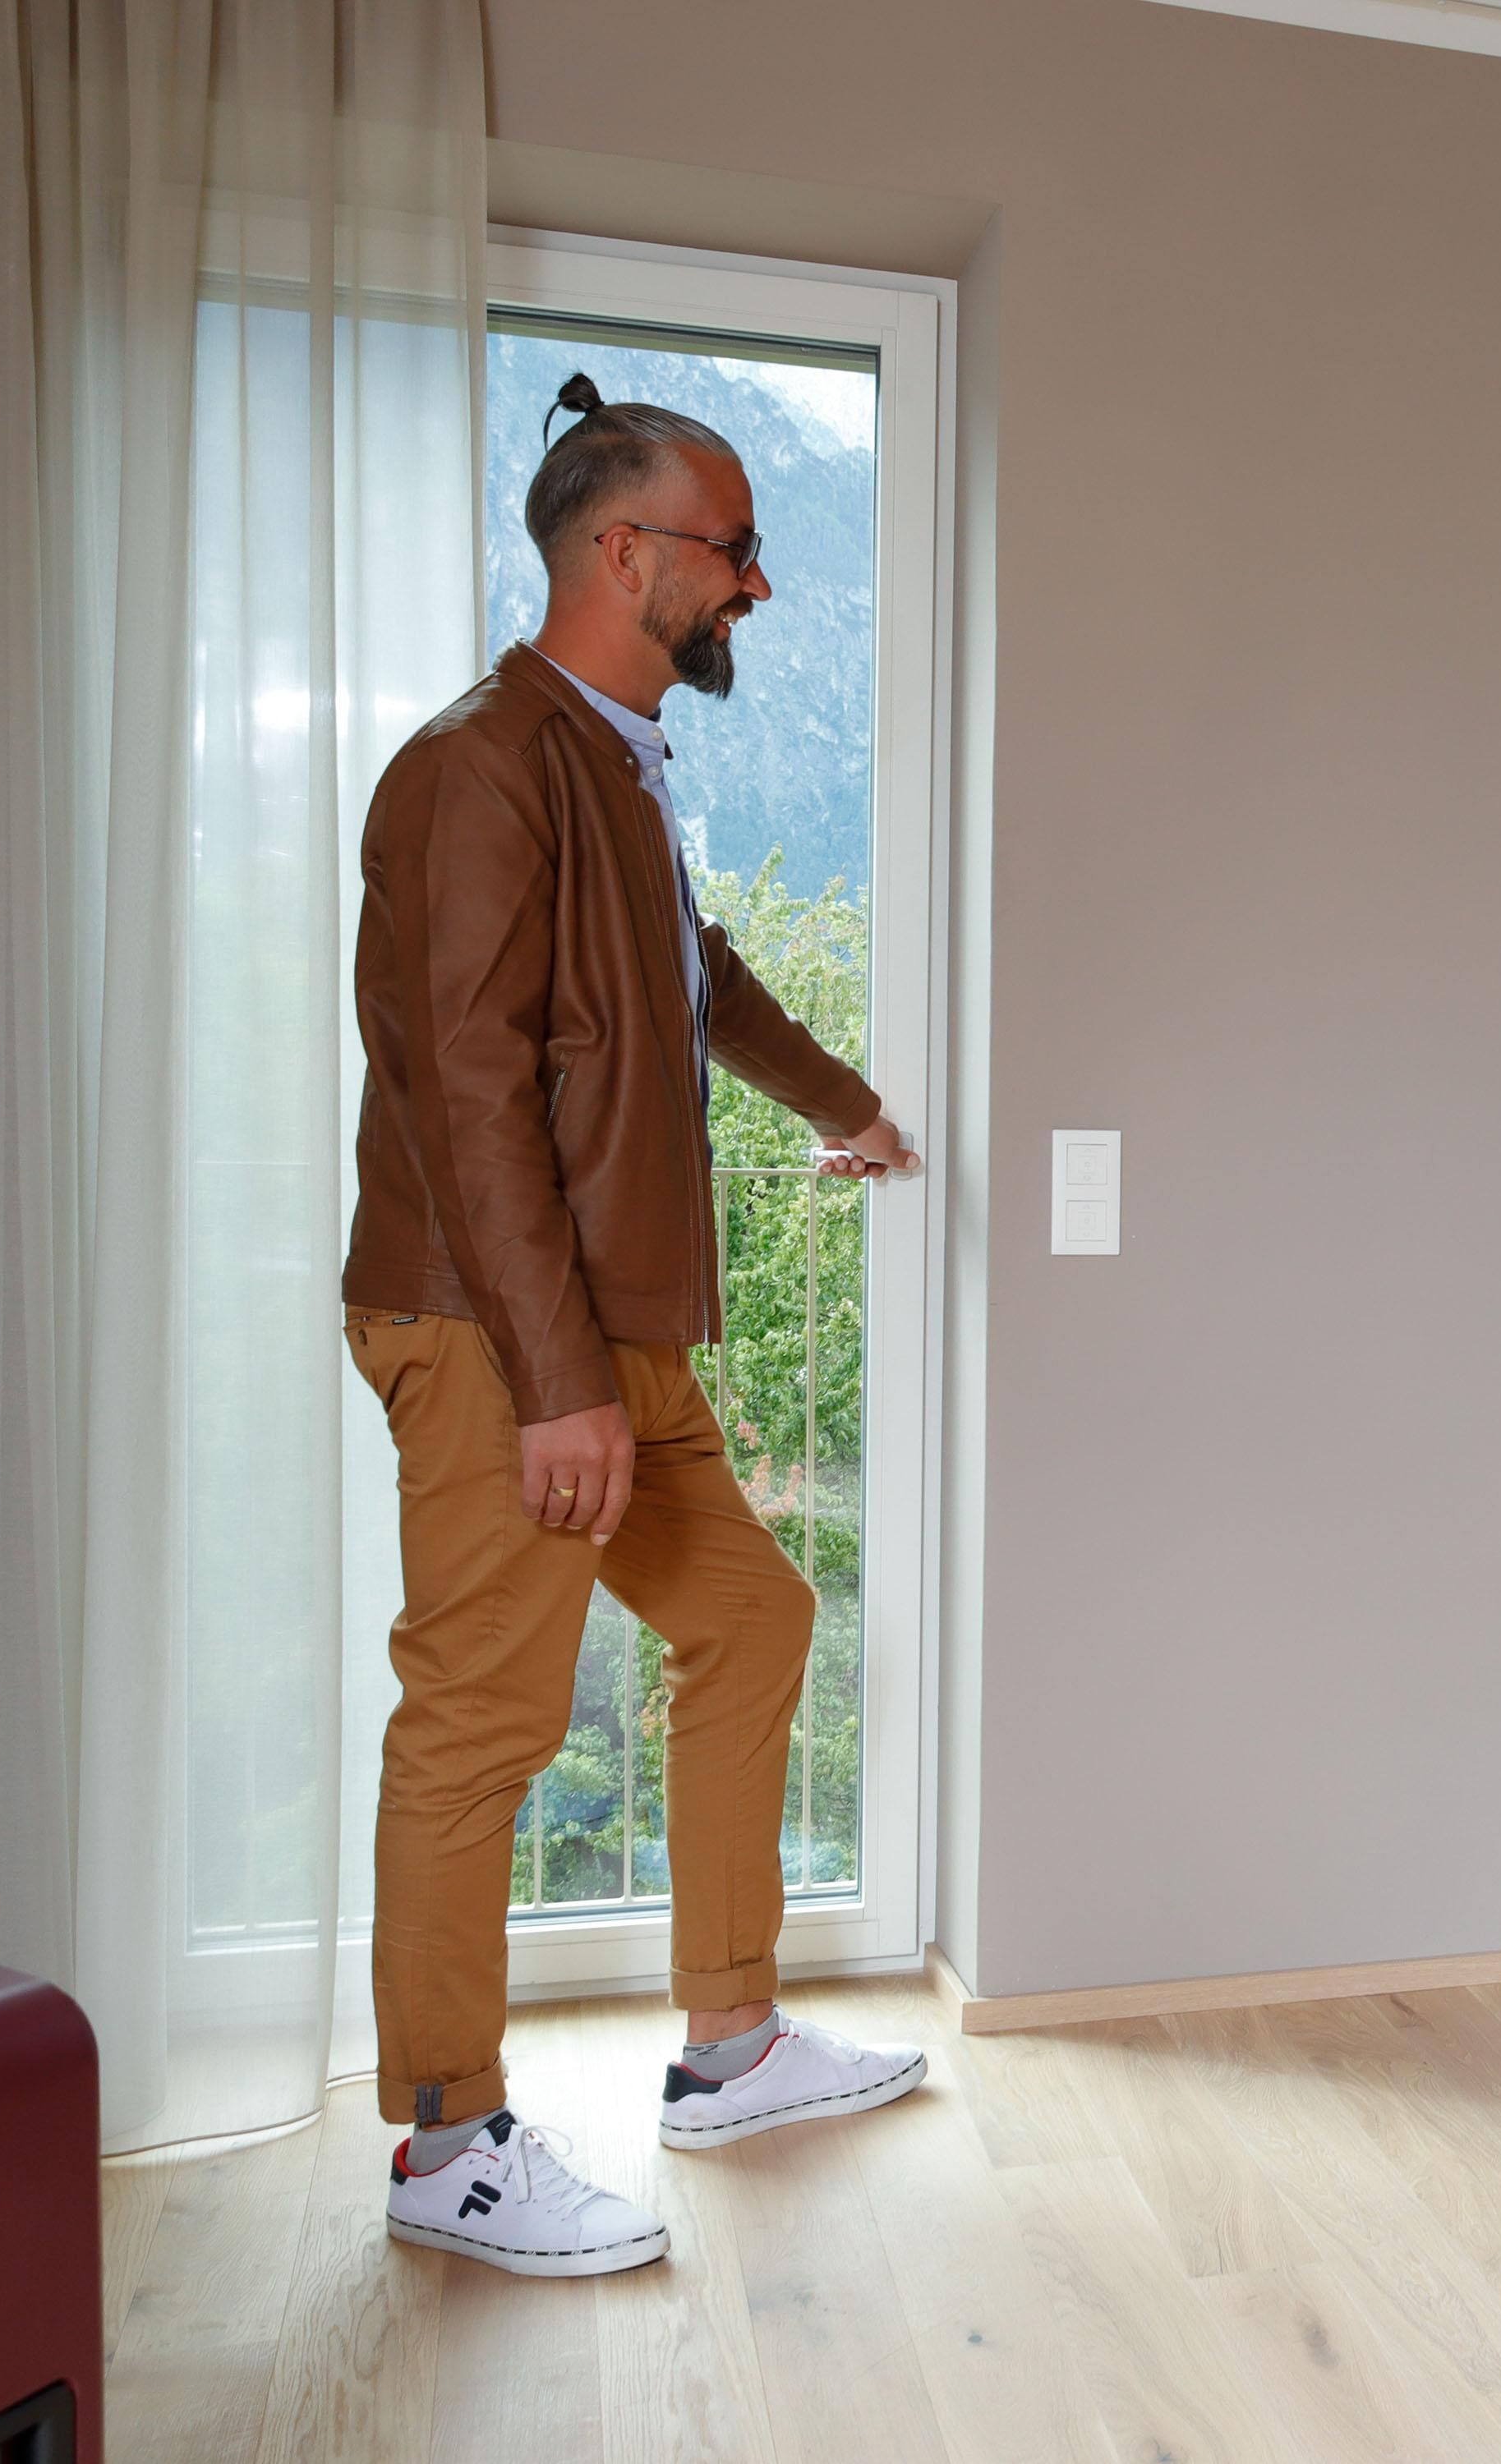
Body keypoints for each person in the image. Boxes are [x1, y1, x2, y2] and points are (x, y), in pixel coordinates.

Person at [343, 375, 929, 2276]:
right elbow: (468, 1094)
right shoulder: (481, 767)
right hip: (500, 1329)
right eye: (734, 546)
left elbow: (694, 983)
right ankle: (448, 2147)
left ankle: (731, 2045)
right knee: (483, 1718)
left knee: (753, 1616)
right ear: (624, 550)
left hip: (603, 1328)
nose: (755, 583)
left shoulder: (610, 761)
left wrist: (846, 1104)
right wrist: (557, 1381)